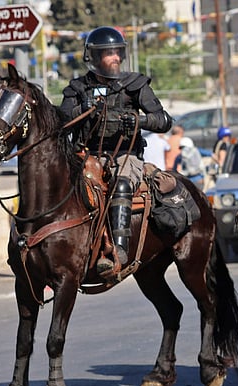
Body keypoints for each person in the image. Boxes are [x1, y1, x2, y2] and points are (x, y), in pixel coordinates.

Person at [59, 26, 173, 274]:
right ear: (94, 57)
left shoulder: (135, 84)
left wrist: (140, 121)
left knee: (121, 185)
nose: (116, 58)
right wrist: (83, 109)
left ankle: (117, 251)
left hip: (125, 155)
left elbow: (164, 120)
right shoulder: (78, 88)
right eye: (109, 53)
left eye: (117, 52)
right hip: (85, 156)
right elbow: (62, 121)